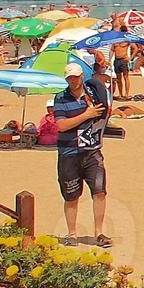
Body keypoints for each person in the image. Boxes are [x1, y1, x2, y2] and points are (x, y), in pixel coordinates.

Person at [53, 64, 111, 246]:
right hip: (69, 153)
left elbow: (104, 110)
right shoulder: (61, 98)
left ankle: (99, 233)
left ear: (81, 77)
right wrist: (86, 114)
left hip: (91, 151)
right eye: (70, 78)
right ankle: (72, 234)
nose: (73, 81)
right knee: (71, 196)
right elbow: (61, 125)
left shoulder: (92, 94)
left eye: (76, 77)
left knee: (99, 192)